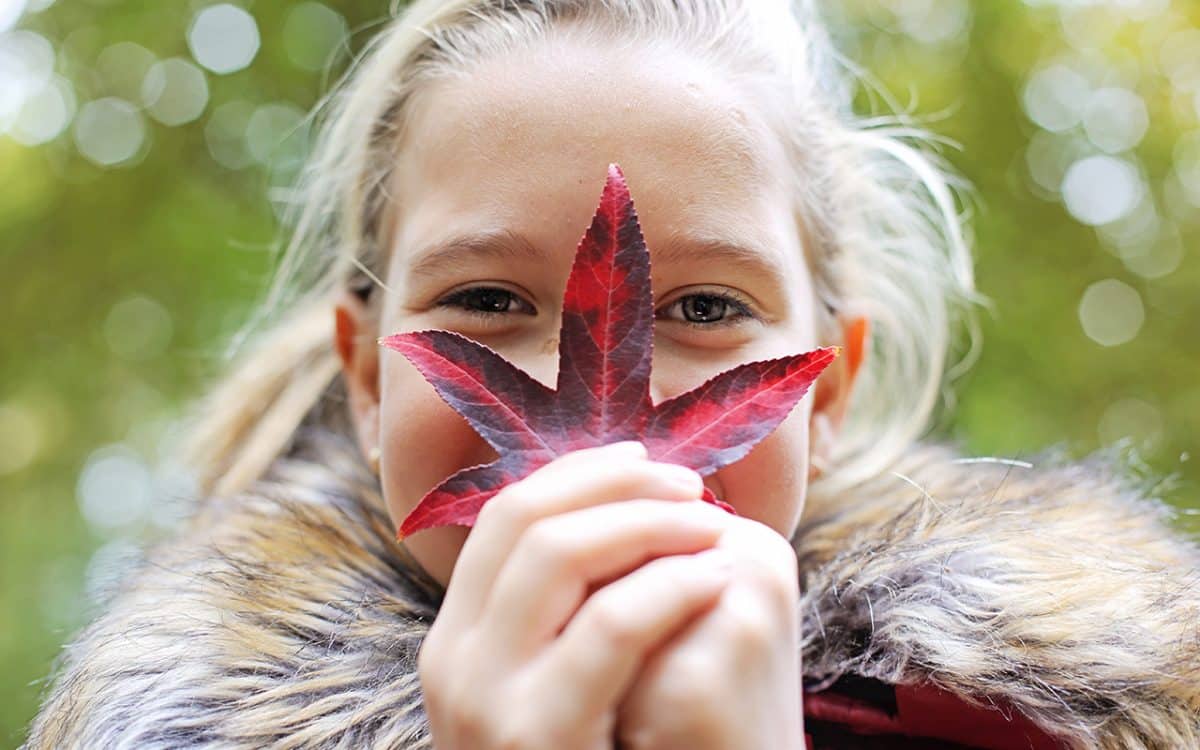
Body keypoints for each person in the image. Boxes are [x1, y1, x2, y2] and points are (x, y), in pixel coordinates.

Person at [25, 0, 1200, 748]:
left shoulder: (1034, 725)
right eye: (484, 301)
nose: (601, 427)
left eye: (705, 307)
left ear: (827, 395)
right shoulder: (171, 730)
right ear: (369, 385)